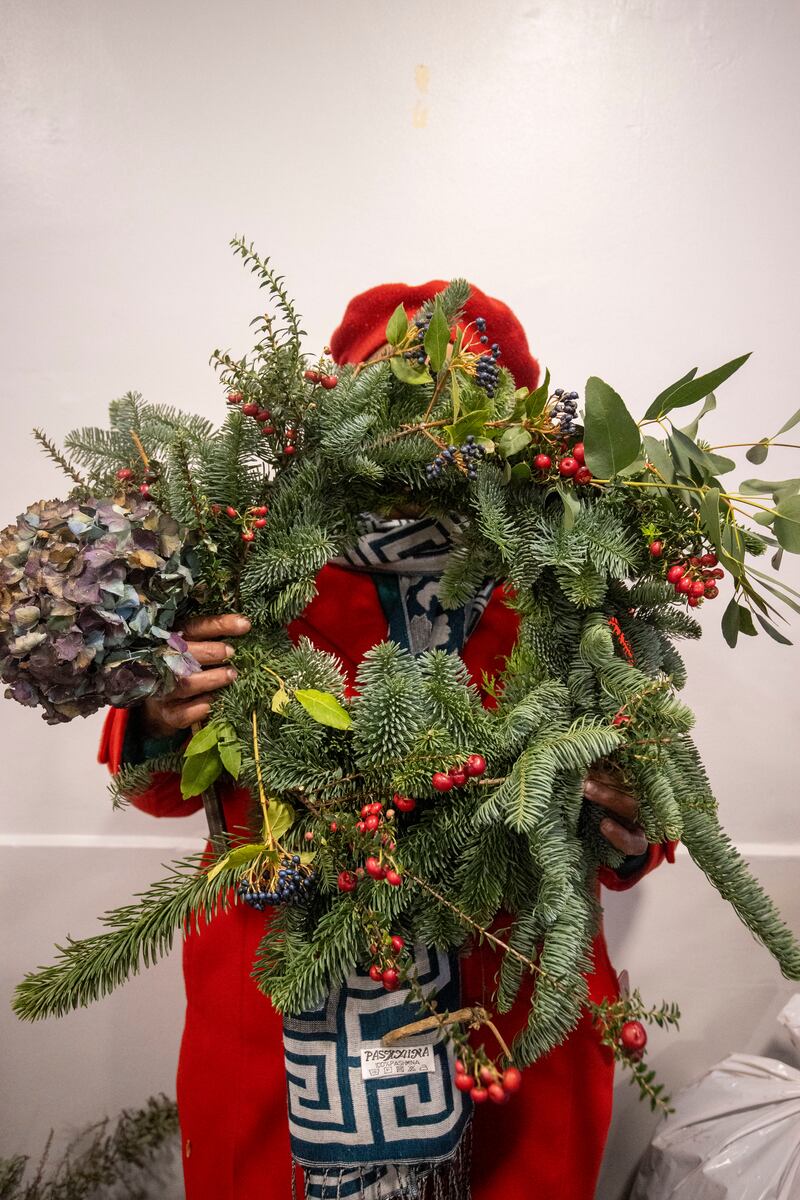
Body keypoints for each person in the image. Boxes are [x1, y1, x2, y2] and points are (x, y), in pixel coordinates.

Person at [98, 280, 675, 1200]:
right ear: (342, 404)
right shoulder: (249, 560)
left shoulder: (569, 582)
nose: (432, 425)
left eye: (468, 394)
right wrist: (158, 706)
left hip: (520, 1000)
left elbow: (636, 826)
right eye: (402, 386)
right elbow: (159, 787)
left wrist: (634, 815)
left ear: (516, 418)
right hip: (284, 996)